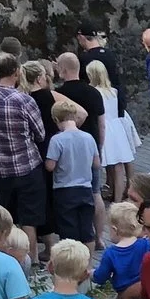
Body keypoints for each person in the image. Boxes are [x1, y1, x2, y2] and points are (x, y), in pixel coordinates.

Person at [0, 55, 49, 254]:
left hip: (0, 167)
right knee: (30, 220)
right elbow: (40, 134)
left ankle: (10, 257)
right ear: (17, 72)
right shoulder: (25, 100)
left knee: (7, 218)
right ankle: (32, 261)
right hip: (27, 165)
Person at [46, 100, 103, 248]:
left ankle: (71, 263)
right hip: (85, 188)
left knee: (68, 230)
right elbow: (96, 164)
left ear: (56, 119)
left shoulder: (57, 140)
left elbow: (50, 166)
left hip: (64, 190)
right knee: (87, 230)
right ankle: (89, 264)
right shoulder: (88, 137)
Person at [87, 58, 139, 201]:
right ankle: (117, 198)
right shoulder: (113, 91)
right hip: (116, 128)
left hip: (103, 127)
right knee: (118, 165)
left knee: (105, 163)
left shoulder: (93, 92)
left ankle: (103, 192)